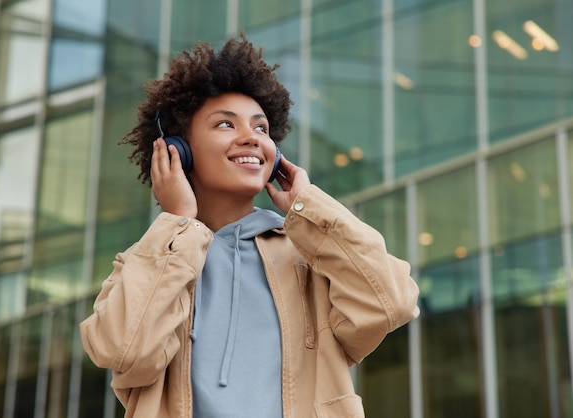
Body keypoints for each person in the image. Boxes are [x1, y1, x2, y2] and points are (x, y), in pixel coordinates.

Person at [80, 34, 420, 418]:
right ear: (177, 152)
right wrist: (177, 225)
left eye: (261, 128)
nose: (251, 138)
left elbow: (392, 302)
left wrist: (312, 210)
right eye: (225, 124)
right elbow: (123, 351)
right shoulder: (151, 263)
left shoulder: (308, 255)